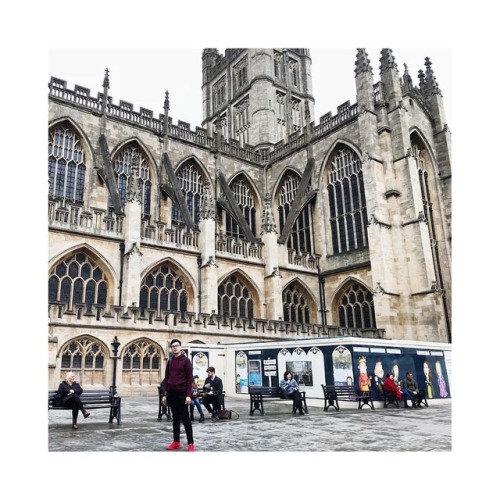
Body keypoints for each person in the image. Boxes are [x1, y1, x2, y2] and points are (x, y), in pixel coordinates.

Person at [162, 339, 195, 451]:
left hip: (182, 393)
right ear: (171, 348)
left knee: (185, 419)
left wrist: (188, 395)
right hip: (172, 393)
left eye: (177, 346)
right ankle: (176, 442)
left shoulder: (186, 361)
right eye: (173, 346)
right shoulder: (170, 361)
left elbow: (189, 379)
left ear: (180, 347)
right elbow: (167, 378)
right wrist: (164, 394)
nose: (175, 347)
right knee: (175, 419)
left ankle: (191, 443)